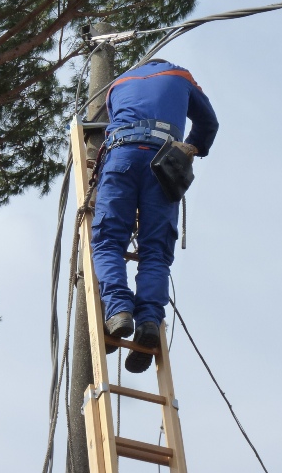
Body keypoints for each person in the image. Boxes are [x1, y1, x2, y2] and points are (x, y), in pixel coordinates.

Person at [91, 58, 218, 373]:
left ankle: (118, 310)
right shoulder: (180, 75)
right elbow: (208, 123)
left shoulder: (118, 84)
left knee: (108, 241)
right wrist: (193, 148)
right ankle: (148, 320)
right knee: (155, 252)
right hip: (163, 162)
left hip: (121, 156)